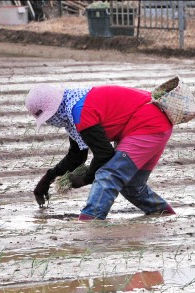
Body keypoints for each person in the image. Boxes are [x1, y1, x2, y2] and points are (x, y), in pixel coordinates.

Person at [25, 83, 176, 221]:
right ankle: (164, 215)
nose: (50, 122)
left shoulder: (80, 112)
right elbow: (77, 156)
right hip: (156, 125)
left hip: (148, 125)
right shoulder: (73, 107)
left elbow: (104, 154)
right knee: (131, 185)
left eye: (49, 117)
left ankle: (90, 222)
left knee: (108, 174)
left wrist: (85, 179)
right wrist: (47, 179)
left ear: (56, 109)